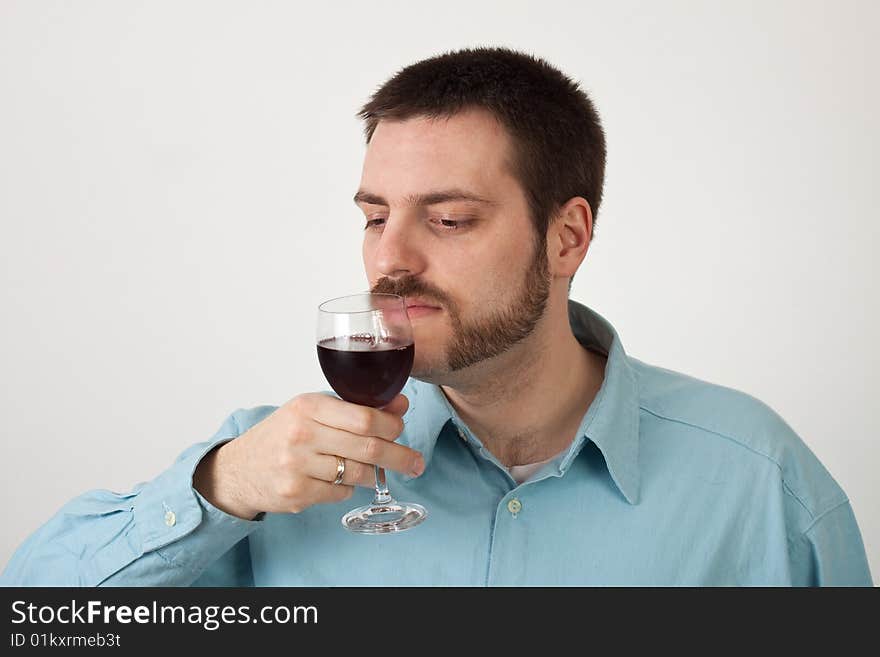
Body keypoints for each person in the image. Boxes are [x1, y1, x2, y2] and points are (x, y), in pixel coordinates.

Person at [2, 47, 872, 587]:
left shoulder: (761, 484)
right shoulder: (273, 473)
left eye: (449, 219)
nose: (390, 260)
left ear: (567, 237)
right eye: (376, 215)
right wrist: (220, 487)